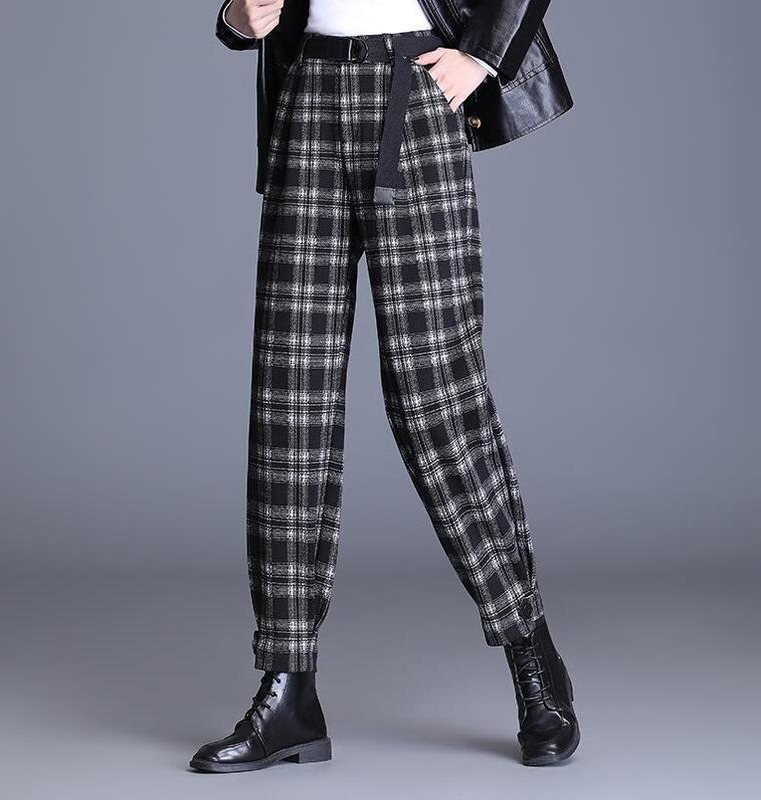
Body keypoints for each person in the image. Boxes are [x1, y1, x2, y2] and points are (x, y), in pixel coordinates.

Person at [190, 0, 579, 772]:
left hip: (415, 92)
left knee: (440, 402)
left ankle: (532, 653)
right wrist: (235, 16)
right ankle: (288, 688)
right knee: (289, 400)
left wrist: (483, 57)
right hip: (308, 94)